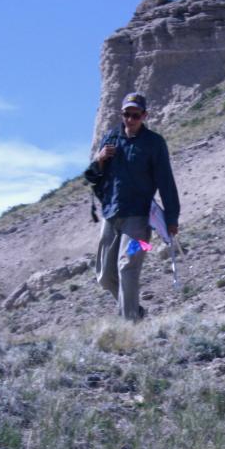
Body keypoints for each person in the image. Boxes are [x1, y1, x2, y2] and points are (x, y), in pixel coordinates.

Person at [85, 92, 180, 321]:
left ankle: (130, 328)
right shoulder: (110, 138)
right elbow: (91, 177)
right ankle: (135, 313)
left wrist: (172, 219)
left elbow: (166, 181)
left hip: (139, 218)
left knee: (127, 267)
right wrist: (99, 160)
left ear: (144, 115)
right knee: (105, 277)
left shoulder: (154, 143)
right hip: (111, 215)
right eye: (126, 114)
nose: (130, 119)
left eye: (135, 115)